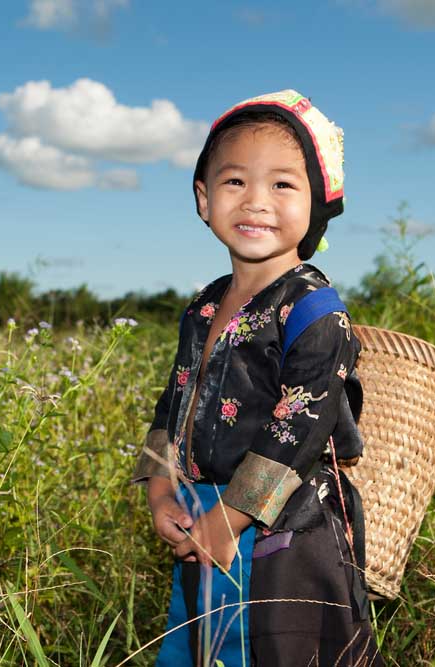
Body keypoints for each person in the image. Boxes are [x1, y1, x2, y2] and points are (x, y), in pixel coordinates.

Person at [131, 90, 384, 666]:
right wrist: (160, 489)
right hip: (203, 512)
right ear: (203, 199)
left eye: (282, 185)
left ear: (316, 203)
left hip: (283, 523)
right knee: (200, 646)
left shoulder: (315, 310)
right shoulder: (204, 306)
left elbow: (303, 423)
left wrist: (232, 516)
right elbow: (173, 402)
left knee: (271, 648)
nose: (256, 202)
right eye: (235, 182)